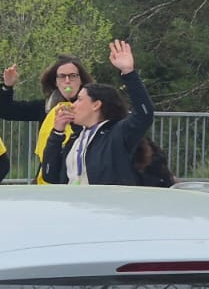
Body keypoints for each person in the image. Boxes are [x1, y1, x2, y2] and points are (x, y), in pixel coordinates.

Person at [40, 40, 155, 185]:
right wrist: (57, 134)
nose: (73, 105)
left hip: (105, 206)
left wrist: (128, 73)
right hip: (73, 205)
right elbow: (49, 174)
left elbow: (144, 114)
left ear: (96, 105)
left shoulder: (117, 133)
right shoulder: (75, 138)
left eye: (79, 100)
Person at [0, 55, 93, 183]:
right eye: (62, 76)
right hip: (48, 177)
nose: (67, 81)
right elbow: (4, 110)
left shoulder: (93, 108)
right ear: (55, 82)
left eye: (73, 76)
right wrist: (7, 86)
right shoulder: (45, 107)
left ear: (81, 80)